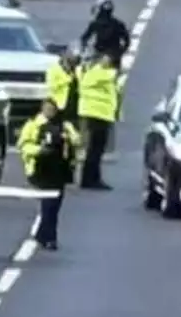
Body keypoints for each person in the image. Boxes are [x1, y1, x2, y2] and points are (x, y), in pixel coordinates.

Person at [18, 99, 80, 250]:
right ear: (42, 109)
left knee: (55, 205)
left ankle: (42, 234)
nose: (50, 112)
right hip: (40, 169)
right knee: (49, 204)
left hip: (60, 170)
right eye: (47, 109)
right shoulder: (33, 125)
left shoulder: (64, 125)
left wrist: (67, 136)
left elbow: (77, 140)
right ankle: (50, 237)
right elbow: (23, 146)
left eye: (52, 109)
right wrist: (40, 150)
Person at [78, 51, 121, 189]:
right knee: (94, 149)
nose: (107, 61)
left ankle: (93, 178)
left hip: (102, 114)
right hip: (96, 114)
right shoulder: (97, 73)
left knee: (97, 149)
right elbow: (90, 81)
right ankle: (89, 179)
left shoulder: (102, 74)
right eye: (105, 58)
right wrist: (113, 74)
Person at [79, 0, 131, 66]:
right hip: (113, 55)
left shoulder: (95, 24)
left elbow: (84, 38)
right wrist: (120, 52)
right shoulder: (118, 23)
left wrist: (83, 48)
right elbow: (126, 40)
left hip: (100, 54)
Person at [46, 50, 82, 124]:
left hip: (74, 107)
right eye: (69, 62)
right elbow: (52, 86)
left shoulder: (76, 71)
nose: (71, 65)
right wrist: (66, 80)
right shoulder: (54, 69)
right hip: (59, 105)